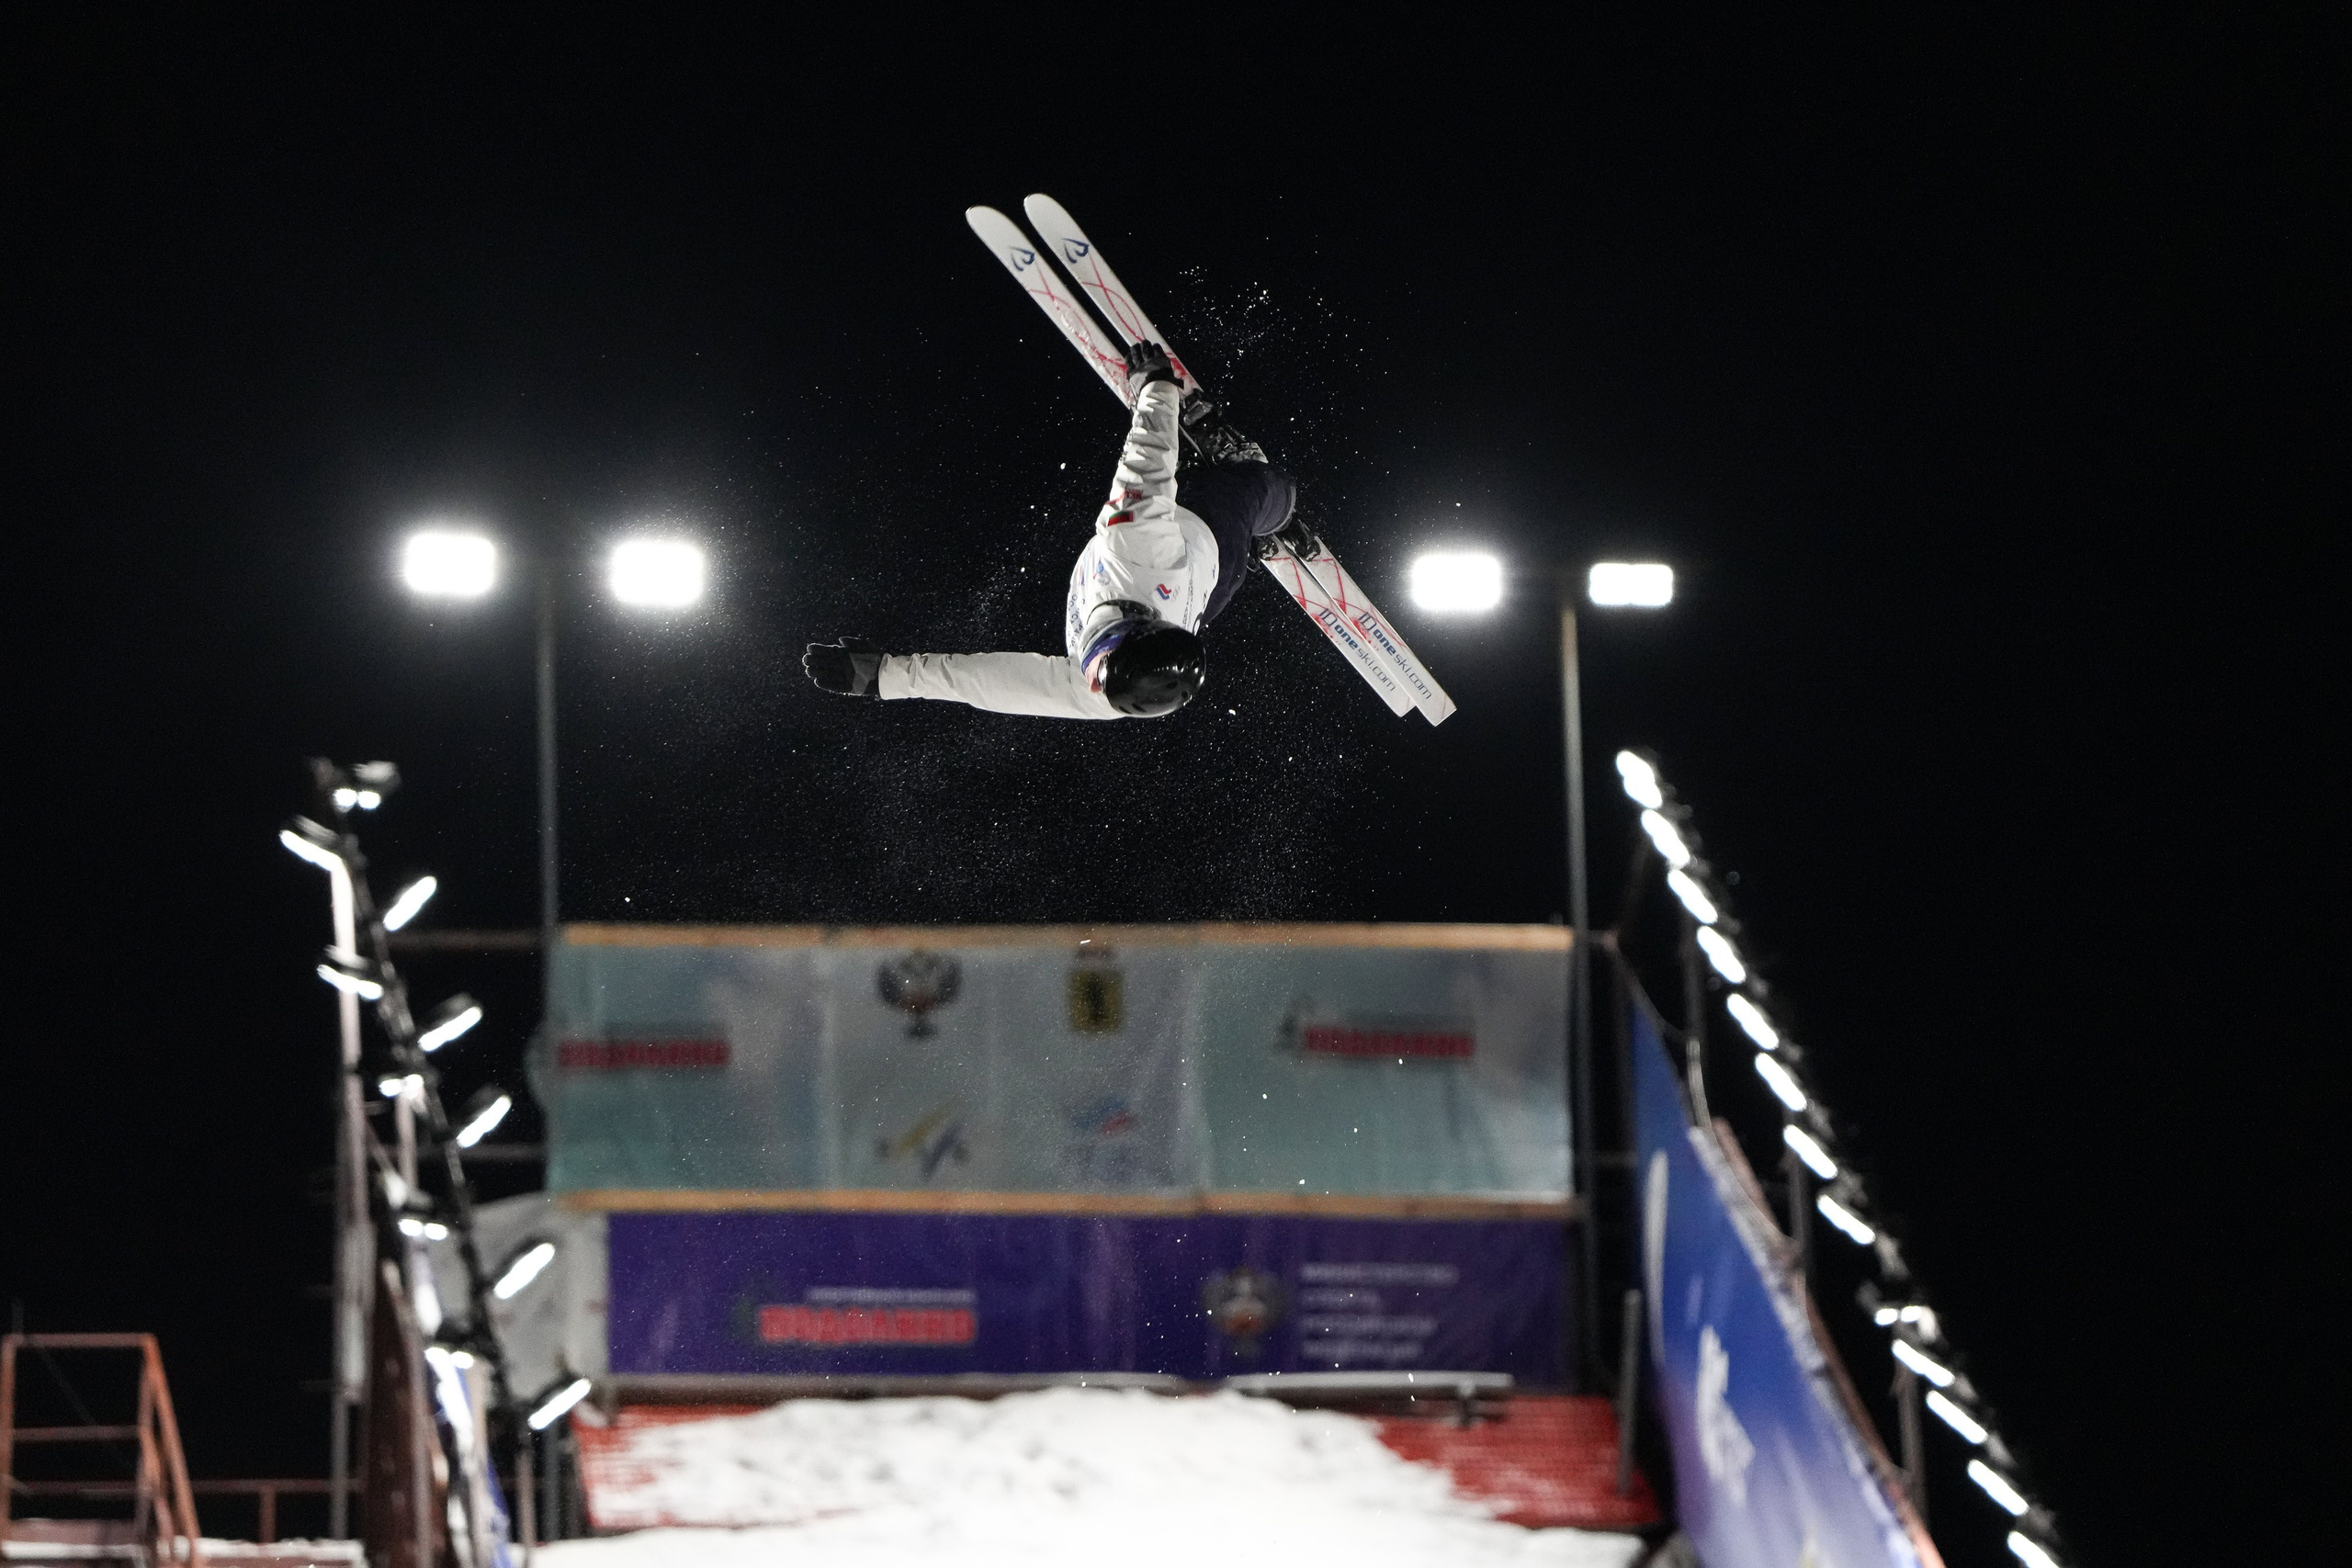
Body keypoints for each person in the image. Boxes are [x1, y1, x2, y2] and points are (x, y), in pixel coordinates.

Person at [802, 342, 1300, 718]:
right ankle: (1270, 509)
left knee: (1234, 493)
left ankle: (1246, 487)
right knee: (1263, 493)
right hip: (1208, 559)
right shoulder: (1142, 557)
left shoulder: (1131, 565)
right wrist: (1158, 389)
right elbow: (1147, 464)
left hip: (1191, 551)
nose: (1087, 673)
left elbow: (979, 681)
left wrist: (1157, 390)